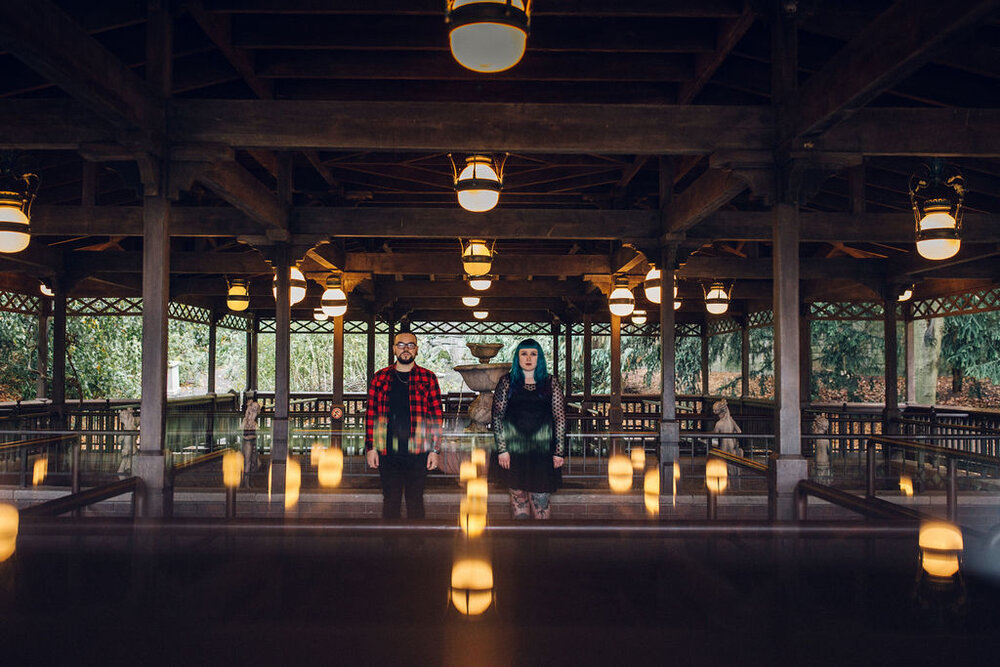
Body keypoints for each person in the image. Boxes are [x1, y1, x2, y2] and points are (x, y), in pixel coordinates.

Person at [365, 331, 442, 519]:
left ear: (416, 350)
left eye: (410, 345)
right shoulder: (380, 377)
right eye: (401, 345)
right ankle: (390, 546)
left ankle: (417, 545)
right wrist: (371, 448)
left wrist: (435, 450)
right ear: (394, 349)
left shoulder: (428, 378)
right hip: (387, 450)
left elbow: (436, 417)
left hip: (418, 451)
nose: (405, 349)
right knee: (390, 499)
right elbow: (371, 414)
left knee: (415, 499)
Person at [491, 338, 566, 520]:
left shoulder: (550, 382)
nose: (528, 358)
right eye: (523, 353)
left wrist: (559, 451)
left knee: (541, 497)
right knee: (519, 496)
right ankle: (521, 543)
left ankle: (541, 545)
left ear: (539, 358)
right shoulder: (507, 382)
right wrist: (502, 450)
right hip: (512, 450)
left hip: (542, 451)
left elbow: (559, 417)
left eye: (533, 354)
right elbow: (497, 417)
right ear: (517, 357)